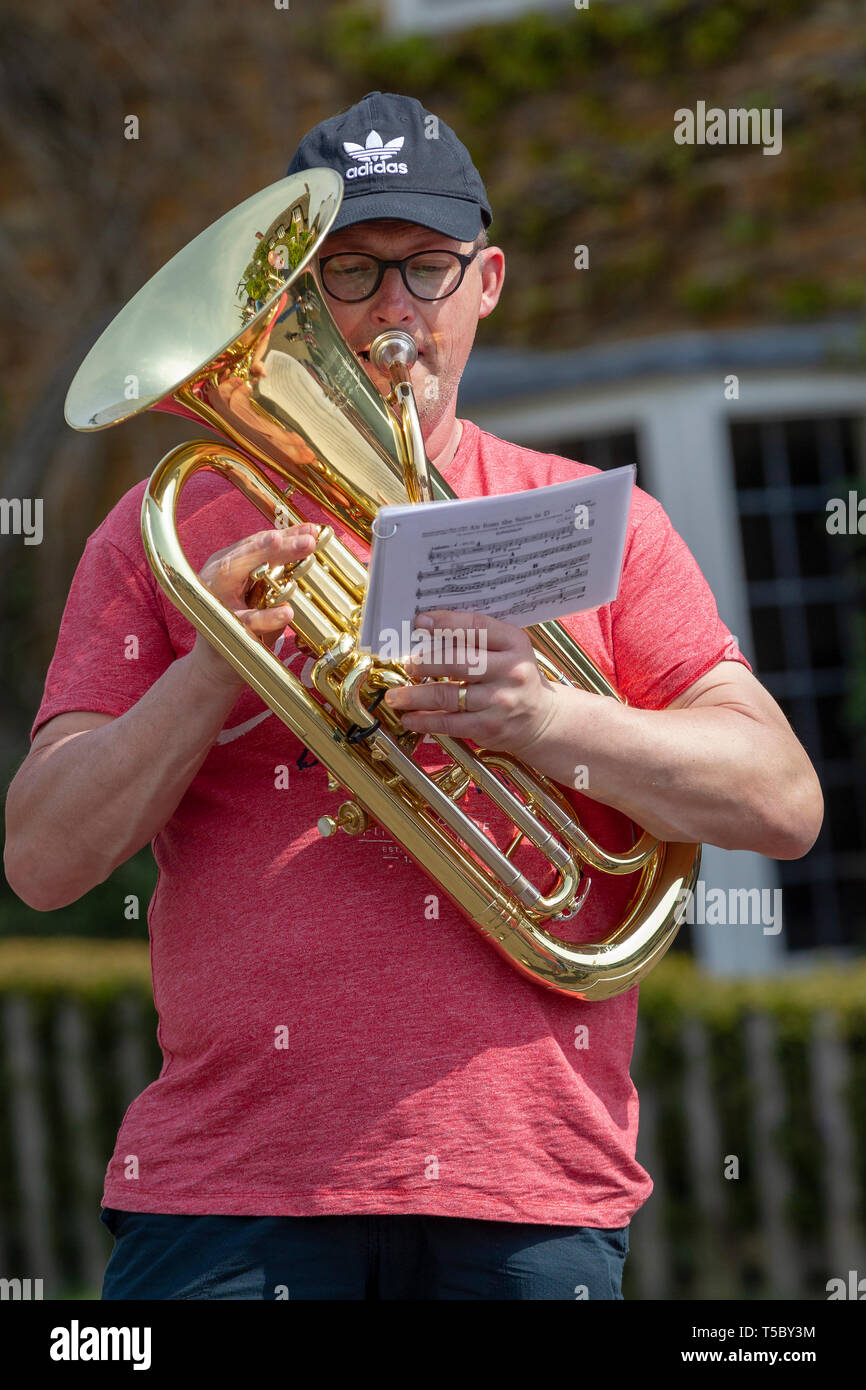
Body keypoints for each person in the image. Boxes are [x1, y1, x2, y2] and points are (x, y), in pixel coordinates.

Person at [3, 91, 823, 1301]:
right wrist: (213, 666)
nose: (392, 310)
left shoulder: (599, 526)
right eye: (349, 272)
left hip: (527, 1194)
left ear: (485, 281)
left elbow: (781, 802)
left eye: (426, 269)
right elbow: (42, 858)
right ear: (291, 300)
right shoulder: (165, 534)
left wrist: (542, 720)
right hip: (228, 1198)